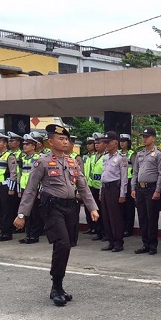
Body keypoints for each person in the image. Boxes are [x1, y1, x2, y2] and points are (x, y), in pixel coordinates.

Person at [14, 124, 99, 306]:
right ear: (50, 142)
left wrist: (92, 207)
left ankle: (58, 284)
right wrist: (22, 214)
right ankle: (56, 286)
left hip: (71, 208)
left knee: (66, 246)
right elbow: (30, 189)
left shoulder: (72, 161)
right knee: (62, 243)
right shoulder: (42, 162)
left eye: (66, 139)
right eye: (61, 139)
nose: (65, 141)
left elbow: (82, 185)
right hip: (52, 208)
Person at [131, 126, 161, 255]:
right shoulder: (140, 154)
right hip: (140, 188)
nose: (144, 139)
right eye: (144, 136)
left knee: (152, 217)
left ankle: (152, 245)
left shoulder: (159, 154)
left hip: (151, 188)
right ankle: (145, 243)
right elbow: (135, 172)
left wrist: (158, 190)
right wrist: (133, 187)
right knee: (142, 217)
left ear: (154, 138)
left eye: (147, 137)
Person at [99, 131, 128, 252]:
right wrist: (101, 191)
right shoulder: (105, 157)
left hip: (114, 189)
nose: (106, 144)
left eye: (108, 142)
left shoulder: (121, 158)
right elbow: (103, 175)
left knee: (115, 217)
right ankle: (110, 240)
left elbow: (124, 177)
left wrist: (122, 194)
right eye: (105, 142)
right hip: (105, 188)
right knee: (106, 216)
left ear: (115, 143)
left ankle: (118, 242)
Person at [0, 132, 18, 241]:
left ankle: (7, 233)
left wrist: (11, 188)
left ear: (5, 143)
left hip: (6, 186)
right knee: (0, 210)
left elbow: (13, 173)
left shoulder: (9, 156)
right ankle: (2, 231)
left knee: (7, 210)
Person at [17, 135, 43, 244]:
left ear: (33, 146)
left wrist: (41, 191)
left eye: (27, 144)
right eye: (24, 144)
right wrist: (19, 189)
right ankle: (28, 234)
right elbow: (20, 174)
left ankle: (34, 235)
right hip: (24, 188)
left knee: (35, 213)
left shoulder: (39, 158)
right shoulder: (23, 158)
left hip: (35, 189)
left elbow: (43, 176)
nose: (24, 146)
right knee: (26, 212)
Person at [119, 133, 136, 237]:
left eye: (124, 141)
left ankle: (129, 228)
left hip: (129, 181)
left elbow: (135, 169)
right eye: (121, 141)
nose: (122, 143)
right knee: (121, 206)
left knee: (129, 207)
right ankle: (122, 226)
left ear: (128, 143)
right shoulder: (118, 153)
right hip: (120, 180)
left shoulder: (132, 154)